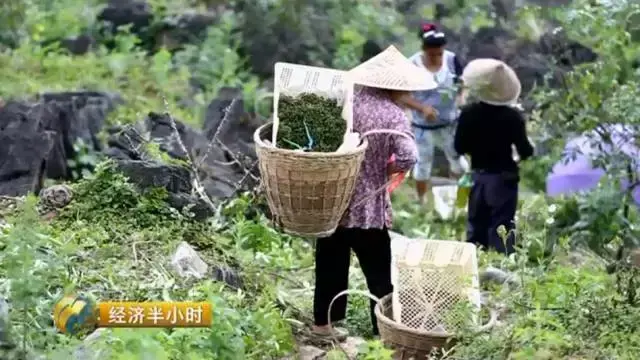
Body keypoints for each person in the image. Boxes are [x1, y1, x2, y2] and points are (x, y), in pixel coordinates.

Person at [312, 46, 436, 339]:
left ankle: (323, 325)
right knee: (379, 275)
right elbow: (408, 156)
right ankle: (384, 332)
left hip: (333, 202)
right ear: (392, 86)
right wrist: (388, 167)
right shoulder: (392, 115)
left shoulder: (340, 103)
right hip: (368, 209)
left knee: (330, 266)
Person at [454, 58, 534, 255]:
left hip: (478, 176)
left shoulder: (468, 114)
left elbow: (459, 146)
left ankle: (475, 263)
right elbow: (525, 150)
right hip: (504, 176)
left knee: (476, 225)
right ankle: (503, 265)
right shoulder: (513, 117)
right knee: (503, 225)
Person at [401, 22, 466, 205]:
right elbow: (401, 96)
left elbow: (462, 84)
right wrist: (422, 108)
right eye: (432, 54)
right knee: (422, 165)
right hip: (422, 125)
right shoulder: (412, 64)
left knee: (458, 162)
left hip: (449, 122)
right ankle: (421, 202)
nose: (437, 58)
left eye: (439, 53)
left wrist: (461, 98)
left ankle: (458, 199)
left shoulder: (452, 60)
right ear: (424, 50)